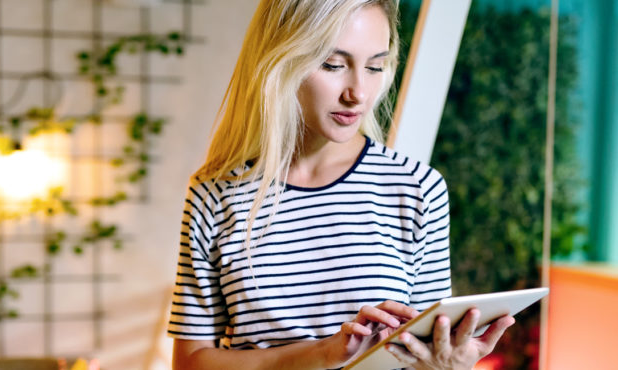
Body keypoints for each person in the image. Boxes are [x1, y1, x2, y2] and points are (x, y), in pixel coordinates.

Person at [168, 0, 515, 369]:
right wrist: (322, 354)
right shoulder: (215, 195)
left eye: (374, 67)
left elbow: (426, 351)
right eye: (333, 65)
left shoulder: (416, 187)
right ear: (279, 60)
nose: (358, 93)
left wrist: (450, 364)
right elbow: (191, 363)